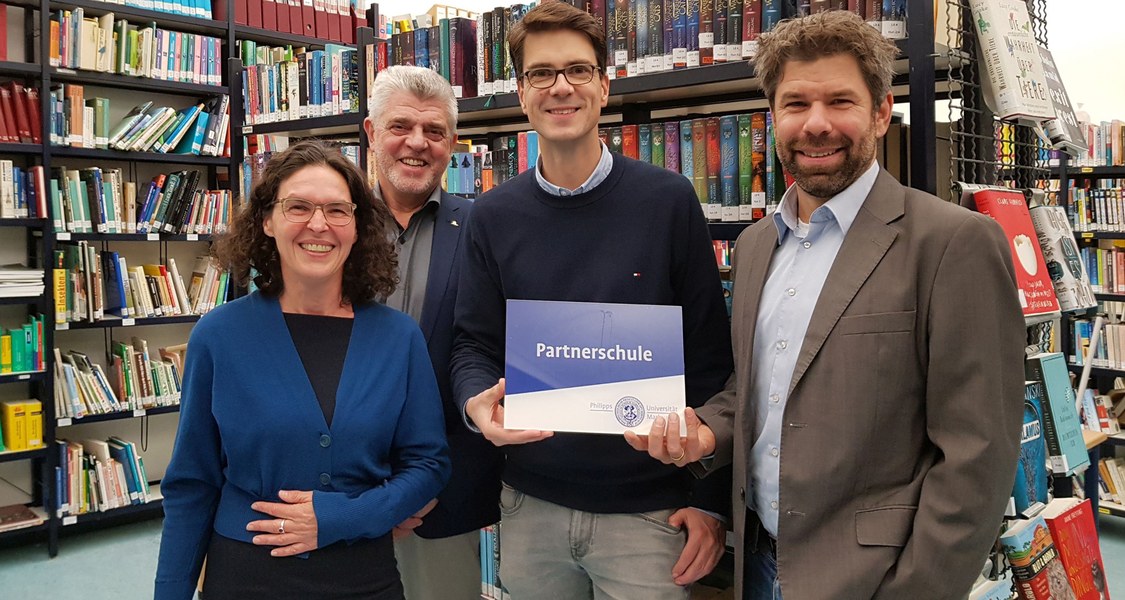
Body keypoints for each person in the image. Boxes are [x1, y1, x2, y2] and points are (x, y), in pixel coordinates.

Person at [626, 10, 1025, 600]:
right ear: (773, 117)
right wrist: (706, 431)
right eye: (795, 104)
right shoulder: (758, 244)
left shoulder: (953, 242)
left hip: (871, 579)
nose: (816, 124)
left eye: (840, 101)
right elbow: (762, 390)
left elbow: (979, 452)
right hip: (756, 564)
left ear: (882, 111)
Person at [451, 3, 735, 598]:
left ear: (604, 86)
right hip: (529, 507)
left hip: (650, 514)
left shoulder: (669, 202)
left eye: (578, 70)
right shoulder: (492, 217)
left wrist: (711, 503)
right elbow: (473, 343)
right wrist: (477, 402)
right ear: (522, 94)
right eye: (541, 73)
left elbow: (712, 359)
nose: (561, 87)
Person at [154, 140, 451, 600]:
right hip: (247, 577)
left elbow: (428, 464)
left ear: (357, 228)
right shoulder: (218, 336)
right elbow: (192, 482)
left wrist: (347, 516)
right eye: (299, 207)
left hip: (364, 575)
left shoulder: (398, 337)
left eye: (337, 210)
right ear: (267, 221)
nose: (319, 224)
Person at [363, 65, 503, 600]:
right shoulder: (328, 227)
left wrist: (416, 484)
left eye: (435, 131)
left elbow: (487, 355)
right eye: (400, 127)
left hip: (442, 496)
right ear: (372, 133)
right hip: (336, 486)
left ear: (452, 143)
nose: (416, 144)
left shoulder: (485, 228)